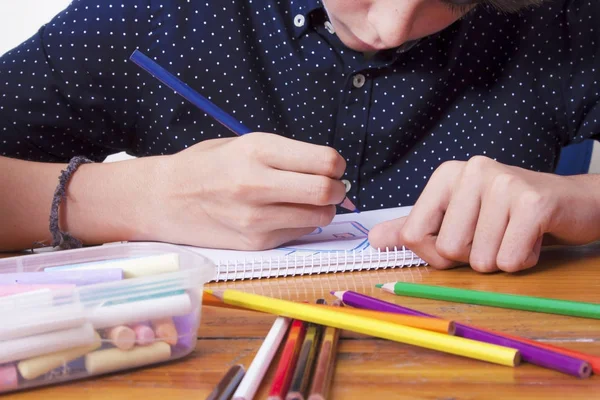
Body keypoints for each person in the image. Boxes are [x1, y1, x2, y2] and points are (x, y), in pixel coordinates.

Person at [0, 0, 598, 273]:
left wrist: (583, 203)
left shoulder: (568, 17)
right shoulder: (151, 14)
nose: (390, 25)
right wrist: (138, 196)